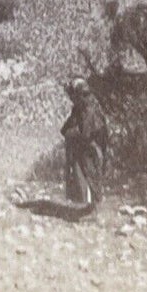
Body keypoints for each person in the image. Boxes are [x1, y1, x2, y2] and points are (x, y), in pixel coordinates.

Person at [61, 76, 109, 213]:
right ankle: (88, 207)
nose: (72, 99)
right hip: (83, 147)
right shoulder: (80, 109)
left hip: (91, 147)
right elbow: (70, 126)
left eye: (74, 96)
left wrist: (72, 133)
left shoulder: (90, 109)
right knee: (83, 175)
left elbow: (86, 132)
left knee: (91, 175)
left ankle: (94, 209)